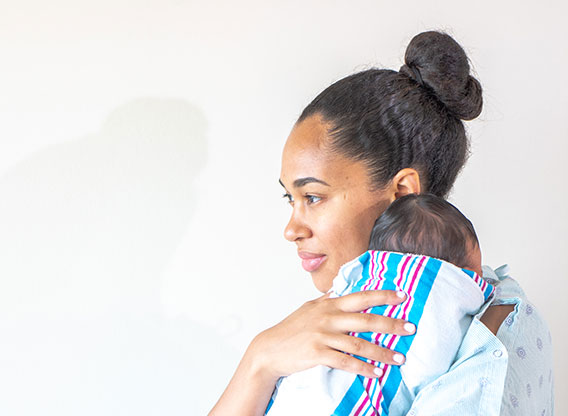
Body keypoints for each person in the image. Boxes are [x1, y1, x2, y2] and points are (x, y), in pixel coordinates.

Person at [209, 31, 554, 415]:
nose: (291, 229)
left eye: (314, 197)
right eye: (290, 199)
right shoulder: (318, 327)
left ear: (403, 192)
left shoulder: (494, 331)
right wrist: (259, 361)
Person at [266, 193, 495, 415]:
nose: (481, 280)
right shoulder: (442, 296)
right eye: (475, 274)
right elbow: (432, 366)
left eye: (312, 198)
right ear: (458, 274)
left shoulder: (354, 278)